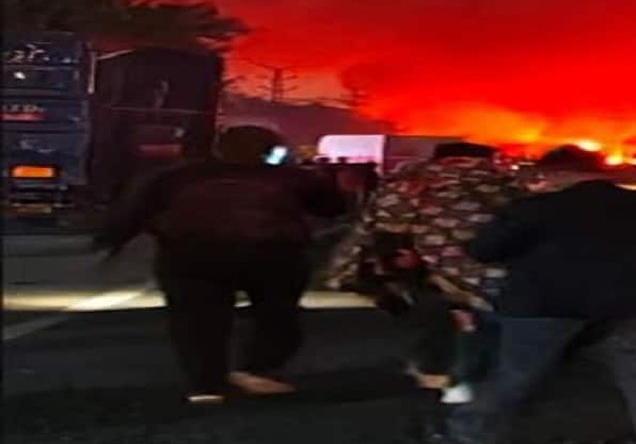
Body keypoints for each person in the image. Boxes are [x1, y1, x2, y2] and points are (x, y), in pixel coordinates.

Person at [429, 145, 636, 444]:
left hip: (547, 304)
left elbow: (484, 250)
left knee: (517, 375)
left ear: (557, 175)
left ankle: (471, 436)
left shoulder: (537, 209)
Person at [94, 125, 348, 404]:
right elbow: (332, 207)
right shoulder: (294, 178)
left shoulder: (175, 177)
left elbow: (134, 210)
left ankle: (206, 384)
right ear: (270, 150)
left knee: (196, 320)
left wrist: (112, 240)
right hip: (273, 254)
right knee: (277, 312)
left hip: (190, 253)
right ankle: (258, 368)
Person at [325, 141, 527, 403]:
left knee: (431, 315)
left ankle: (433, 370)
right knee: (479, 321)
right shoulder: (501, 185)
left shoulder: (406, 182)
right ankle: (465, 375)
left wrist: (390, 261)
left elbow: (382, 226)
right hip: (484, 266)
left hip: (415, 264)